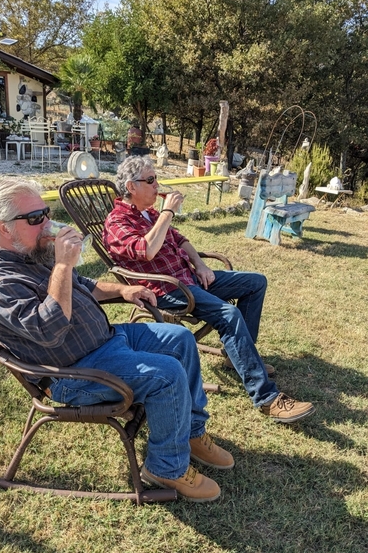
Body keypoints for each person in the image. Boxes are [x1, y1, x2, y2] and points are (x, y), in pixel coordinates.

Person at [0, 177, 235, 503]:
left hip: (105, 340)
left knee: (180, 338)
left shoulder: (30, 251)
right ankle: (165, 466)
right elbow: (50, 330)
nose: (48, 223)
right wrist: (63, 265)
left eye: (46, 213)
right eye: (36, 218)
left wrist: (123, 290)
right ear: (4, 228)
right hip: (74, 371)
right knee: (166, 374)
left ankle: (190, 433)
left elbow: (84, 284)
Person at [102, 155, 315, 424]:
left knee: (255, 282)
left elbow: (179, 239)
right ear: (131, 187)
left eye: (156, 178)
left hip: (189, 277)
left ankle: (235, 356)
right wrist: (168, 212)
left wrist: (200, 264)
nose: (158, 185)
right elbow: (146, 251)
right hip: (167, 289)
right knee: (228, 315)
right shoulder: (117, 222)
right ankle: (267, 399)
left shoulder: (149, 212)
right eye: (151, 180)